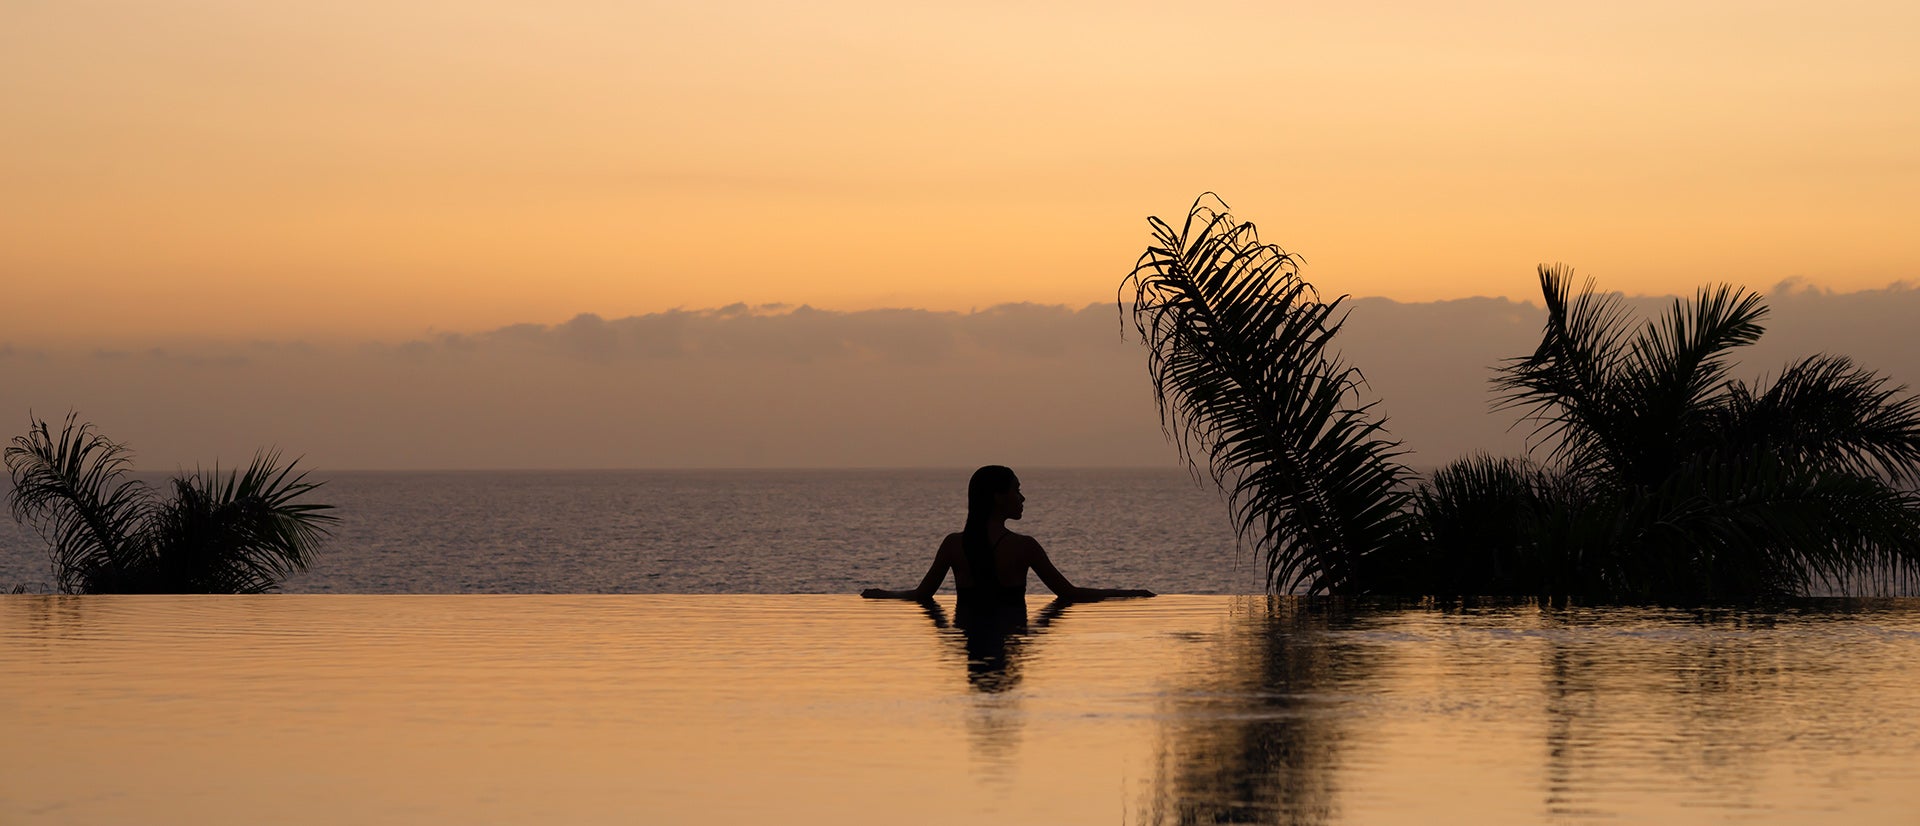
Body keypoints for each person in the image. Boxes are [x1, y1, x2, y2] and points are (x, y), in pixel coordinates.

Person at [860, 465, 1154, 621]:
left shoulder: (953, 544)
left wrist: (882, 594)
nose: (1023, 498)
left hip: (969, 640)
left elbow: (920, 595)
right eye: (1017, 490)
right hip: (1010, 632)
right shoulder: (1024, 547)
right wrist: (1131, 593)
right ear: (999, 498)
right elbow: (1070, 594)